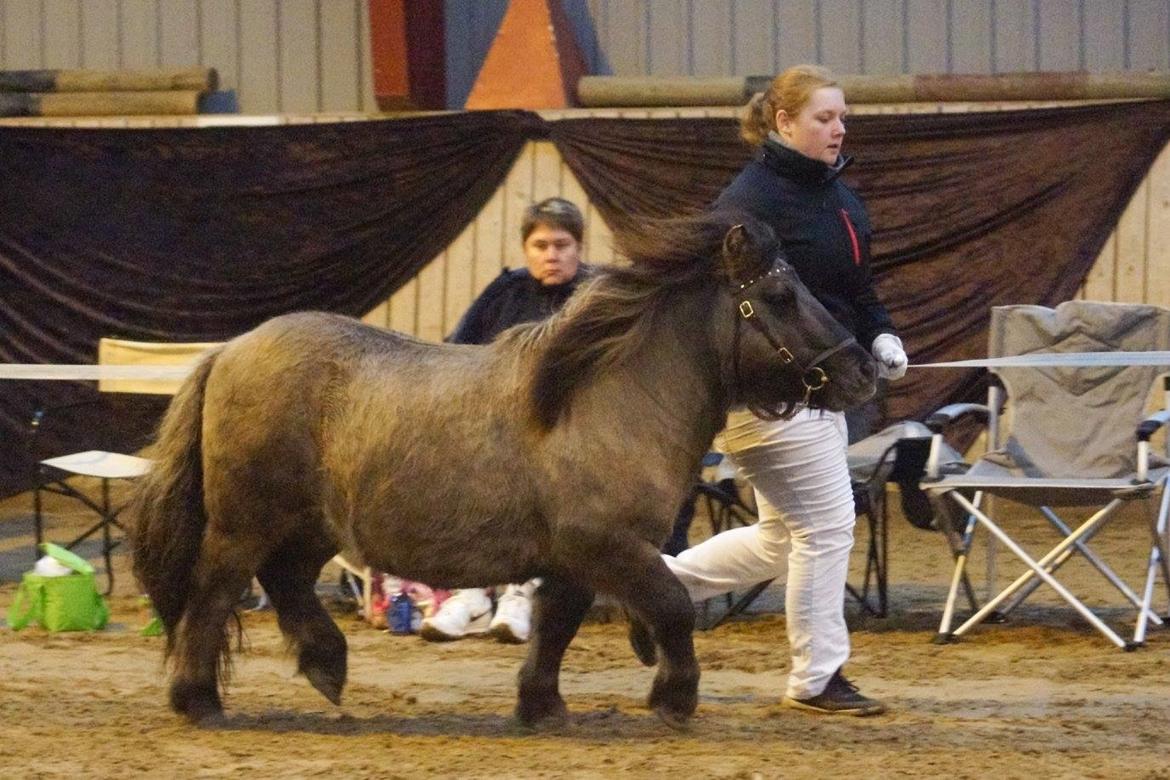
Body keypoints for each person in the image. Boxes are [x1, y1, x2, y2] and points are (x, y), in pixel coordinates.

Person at [661, 65, 907, 716]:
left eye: (843, 116)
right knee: (826, 528)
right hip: (769, 397)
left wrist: (880, 335)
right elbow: (720, 301)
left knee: (780, 540)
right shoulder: (749, 203)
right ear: (785, 122)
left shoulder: (839, 198)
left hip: (824, 389)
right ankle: (816, 679)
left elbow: (857, 291)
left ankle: (656, 589)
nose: (839, 128)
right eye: (825, 118)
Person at [418, 196, 589, 644]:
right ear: (525, 249)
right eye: (540, 245)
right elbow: (457, 350)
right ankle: (471, 594)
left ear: (579, 248)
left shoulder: (598, 296)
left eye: (562, 244)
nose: (551, 255)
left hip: (575, 433)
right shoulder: (505, 291)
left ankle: (520, 593)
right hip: (495, 425)